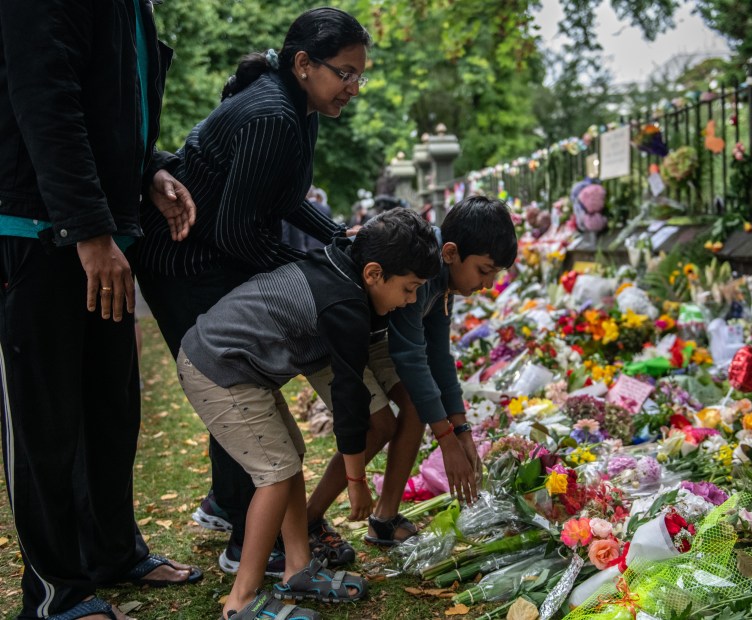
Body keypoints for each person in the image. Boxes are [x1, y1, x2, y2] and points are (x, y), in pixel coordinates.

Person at [133, 6, 371, 576]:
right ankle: (248, 540)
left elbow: (284, 198)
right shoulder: (273, 115)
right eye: (345, 73)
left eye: (360, 74)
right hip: (182, 260)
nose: (354, 88)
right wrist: (319, 273)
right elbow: (238, 232)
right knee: (237, 384)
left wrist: (338, 240)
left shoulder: (300, 107)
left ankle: (226, 504)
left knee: (243, 384)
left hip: (214, 254)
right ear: (304, 63)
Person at [0, 2, 202, 619]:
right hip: (38, 228)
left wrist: (152, 170)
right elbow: (45, 98)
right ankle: (55, 589)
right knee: (46, 419)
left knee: (110, 408)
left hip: (103, 231)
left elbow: (115, 106)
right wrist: (87, 229)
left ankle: (113, 554)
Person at [177, 209, 441, 620]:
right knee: (276, 473)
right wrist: (356, 482)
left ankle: (298, 568)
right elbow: (349, 397)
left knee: (288, 459)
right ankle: (241, 600)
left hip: (239, 367)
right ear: (373, 273)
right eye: (409, 289)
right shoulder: (346, 304)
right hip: (220, 366)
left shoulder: (343, 265)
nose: (410, 301)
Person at [302, 196, 517, 557]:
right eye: (484, 270)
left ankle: (384, 519)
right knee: (379, 424)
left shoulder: (441, 275)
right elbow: (410, 356)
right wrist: (446, 439)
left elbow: (437, 356)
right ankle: (306, 520)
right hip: (330, 337)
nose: (488, 284)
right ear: (450, 252)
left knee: (418, 405)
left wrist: (460, 429)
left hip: (371, 336)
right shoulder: (419, 268)